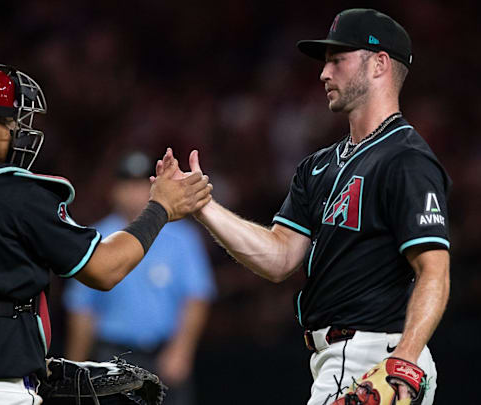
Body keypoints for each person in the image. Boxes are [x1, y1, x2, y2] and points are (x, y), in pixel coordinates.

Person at [159, 9, 450, 405]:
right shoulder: (317, 166)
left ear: (379, 63)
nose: (323, 73)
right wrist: (202, 205)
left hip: (380, 358)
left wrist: (407, 358)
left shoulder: (405, 157)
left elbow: (434, 270)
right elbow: (280, 257)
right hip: (335, 360)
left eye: (337, 59)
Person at [0, 61, 212, 405]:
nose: (16, 131)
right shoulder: (14, 193)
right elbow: (105, 268)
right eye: (8, 122)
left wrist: (29, 358)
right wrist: (160, 208)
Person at [63, 151, 216, 405]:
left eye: (140, 185)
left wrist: (182, 350)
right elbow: (82, 310)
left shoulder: (181, 238)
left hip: (164, 354)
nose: (134, 193)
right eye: (127, 185)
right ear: (114, 190)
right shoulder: (95, 237)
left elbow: (196, 297)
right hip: (113, 357)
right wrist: (78, 367)